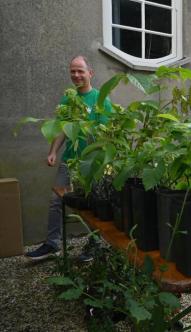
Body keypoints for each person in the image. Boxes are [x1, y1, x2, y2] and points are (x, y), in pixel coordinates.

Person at [26, 56, 112, 261]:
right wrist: (53, 151)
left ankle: (94, 244)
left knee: (92, 204)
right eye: (73, 71)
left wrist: (104, 162)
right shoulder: (68, 99)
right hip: (70, 160)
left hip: (91, 162)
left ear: (90, 73)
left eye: (80, 71)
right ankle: (52, 243)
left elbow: (107, 134)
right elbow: (63, 129)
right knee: (57, 201)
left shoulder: (101, 100)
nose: (76, 75)